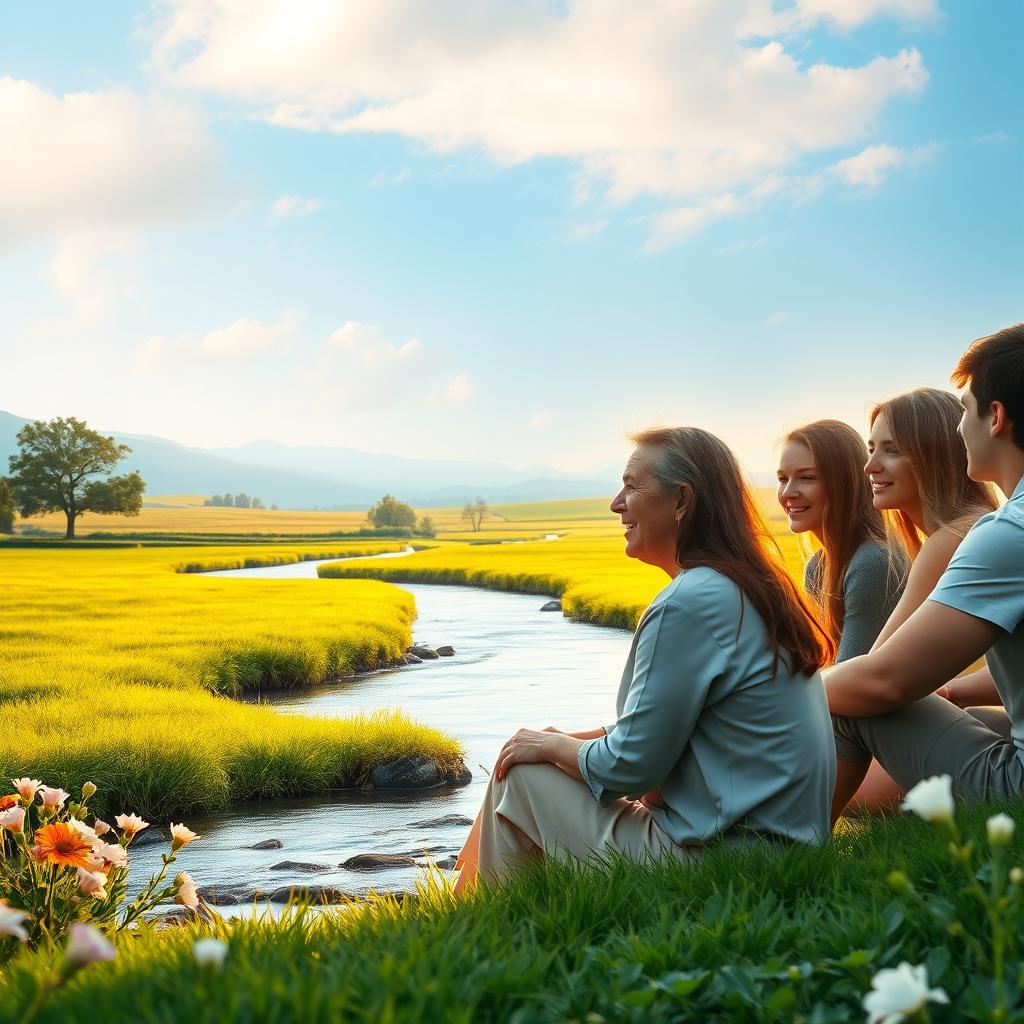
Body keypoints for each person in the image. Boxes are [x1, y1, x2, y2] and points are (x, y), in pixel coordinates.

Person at [453, 427, 837, 893]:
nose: (617, 504)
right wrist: (562, 741)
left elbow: (630, 767)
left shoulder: (688, 603)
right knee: (530, 753)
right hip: (776, 853)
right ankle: (479, 905)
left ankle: (482, 929)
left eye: (632, 486)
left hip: (722, 866)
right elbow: (668, 732)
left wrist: (553, 749)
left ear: (681, 502)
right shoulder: (747, 587)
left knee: (523, 776)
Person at [827, 324, 1024, 822]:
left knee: (851, 702)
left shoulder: (1006, 534)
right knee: (969, 717)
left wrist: (752, 698)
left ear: (995, 417)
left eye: (964, 410)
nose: (960, 429)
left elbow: (881, 682)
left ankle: (786, 851)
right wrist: (958, 690)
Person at [777, 420, 903, 663]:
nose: (788, 493)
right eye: (783, 479)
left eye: (807, 478)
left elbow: (851, 676)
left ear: (845, 483)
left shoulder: (872, 562)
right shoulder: (817, 568)